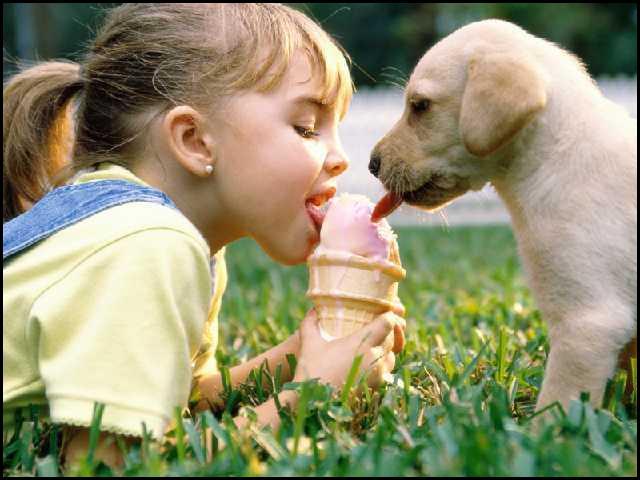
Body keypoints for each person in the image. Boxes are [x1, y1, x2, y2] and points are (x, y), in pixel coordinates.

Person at [3, 3, 405, 471]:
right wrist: (308, 396)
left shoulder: (175, 240)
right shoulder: (146, 243)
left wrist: (294, 357)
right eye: (307, 128)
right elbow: (108, 463)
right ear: (194, 139)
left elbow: (181, 403)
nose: (339, 158)